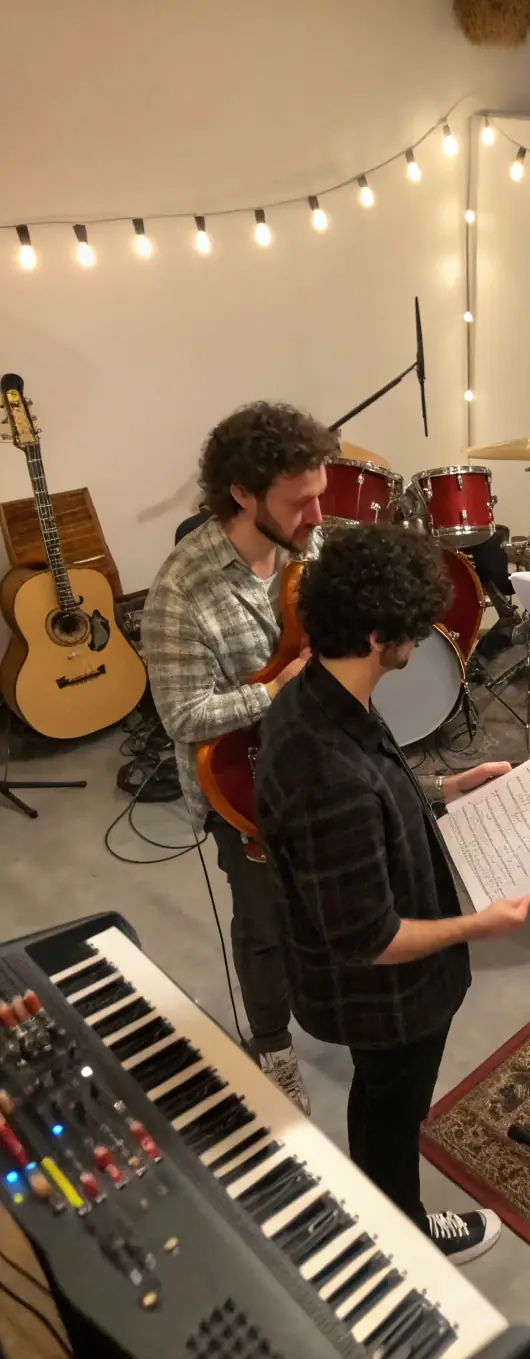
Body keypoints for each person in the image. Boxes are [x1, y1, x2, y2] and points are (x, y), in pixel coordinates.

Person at [253, 524, 530, 1264]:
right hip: (387, 995)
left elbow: (376, 797)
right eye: (414, 627)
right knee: (394, 1100)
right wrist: (478, 923)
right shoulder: (328, 769)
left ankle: (388, 1213)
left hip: (382, 985)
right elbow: (369, 938)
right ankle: (401, 1236)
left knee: (380, 1099)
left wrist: (444, 787)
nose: (426, 638)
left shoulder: (321, 692)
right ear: (379, 634)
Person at [143, 401, 334, 1115]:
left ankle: (324, 997)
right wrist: (277, 690)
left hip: (318, 762)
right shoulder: (179, 593)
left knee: (321, 899)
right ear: (244, 495)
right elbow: (183, 714)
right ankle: (273, 1044)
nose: (318, 514)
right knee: (264, 925)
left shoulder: (304, 548)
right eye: (301, 500)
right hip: (242, 787)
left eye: (319, 493)